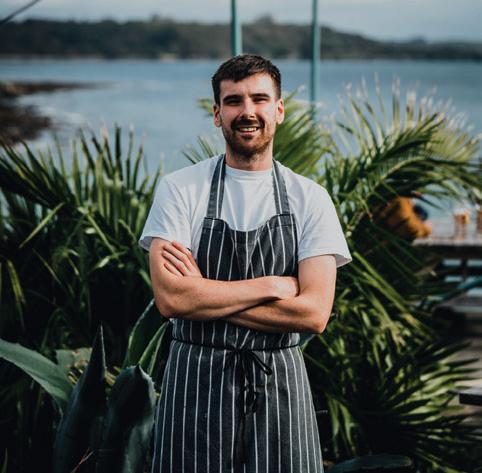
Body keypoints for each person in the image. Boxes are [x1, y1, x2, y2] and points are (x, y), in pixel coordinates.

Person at [139, 54, 352, 473]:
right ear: (217, 114)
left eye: (259, 99)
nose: (247, 111)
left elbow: (313, 314)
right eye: (234, 101)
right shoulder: (180, 189)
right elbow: (171, 300)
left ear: (279, 110)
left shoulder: (310, 198)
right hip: (194, 386)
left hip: (279, 385)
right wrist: (272, 286)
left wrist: (203, 295)